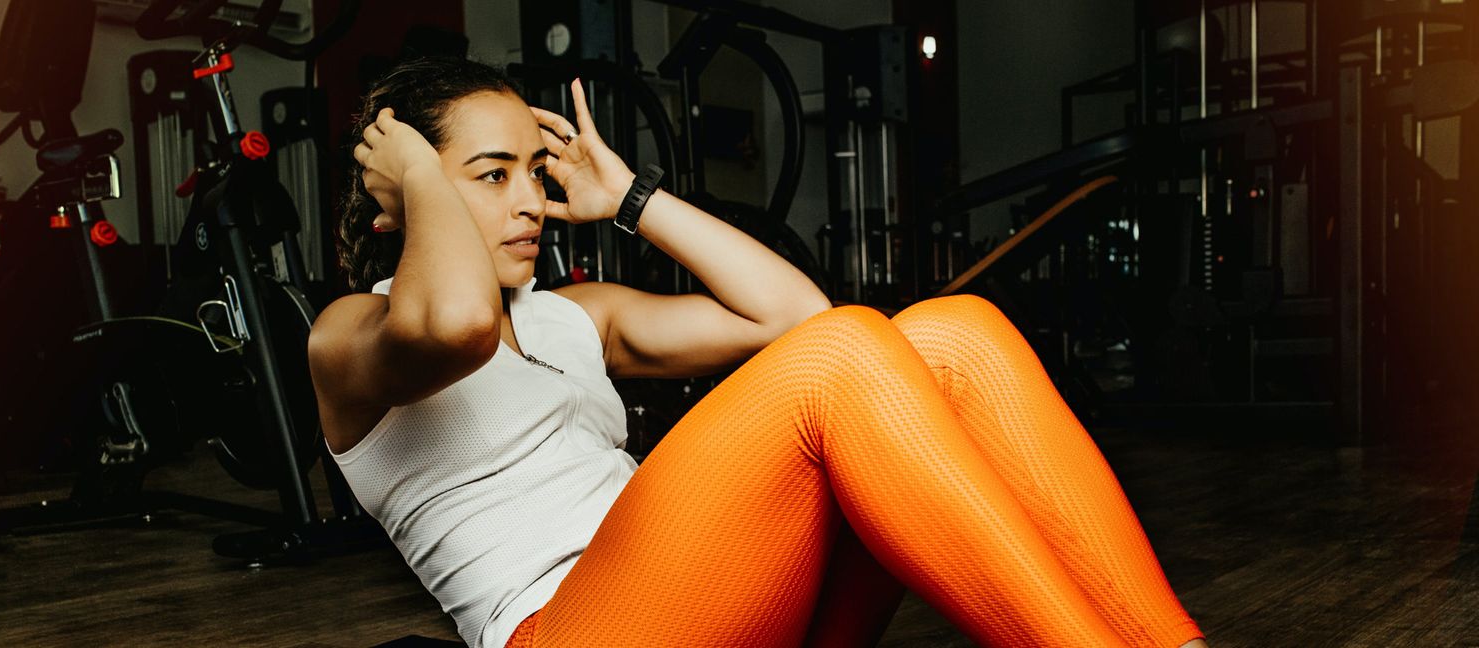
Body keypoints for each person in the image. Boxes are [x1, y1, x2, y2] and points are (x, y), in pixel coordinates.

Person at [309, 56, 1208, 648]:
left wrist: (629, 195)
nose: (533, 204)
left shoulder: (576, 319)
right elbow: (457, 324)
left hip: (722, 607)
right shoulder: (353, 337)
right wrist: (418, 176)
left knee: (953, 335)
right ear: (398, 198)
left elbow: (795, 316)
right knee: (843, 354)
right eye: (490, 175)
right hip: (566, 631)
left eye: (535, 176)